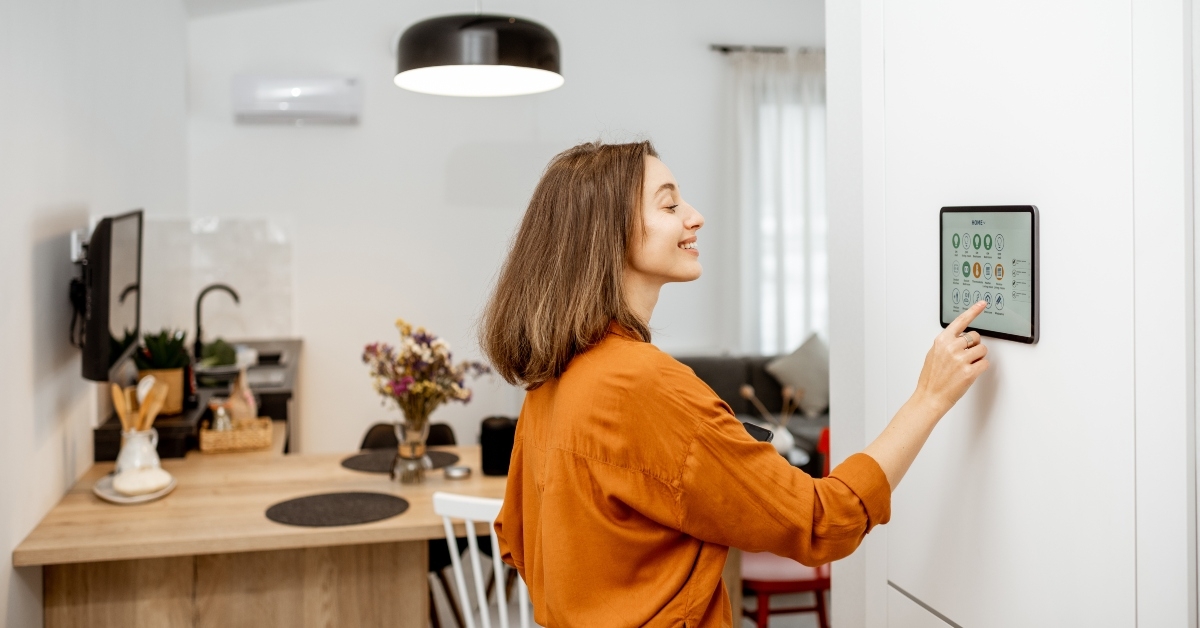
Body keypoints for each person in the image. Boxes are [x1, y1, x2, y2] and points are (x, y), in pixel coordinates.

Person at [480, 140, 989, 627]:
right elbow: (821, 519)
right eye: (668, 205)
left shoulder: (551, 376)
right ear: (608, 233)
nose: (694, 216)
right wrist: (929, 397)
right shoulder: (643, 383)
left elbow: (519, 541)